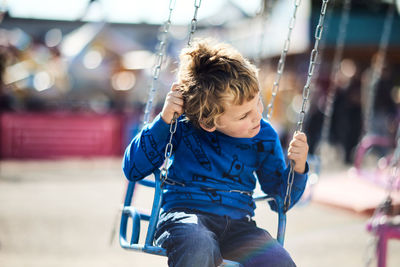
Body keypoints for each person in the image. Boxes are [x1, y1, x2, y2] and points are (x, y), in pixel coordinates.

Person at [123, 39, 309, 267]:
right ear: (208, 122)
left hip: (240, 227)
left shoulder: (264, 136)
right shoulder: (179, 126)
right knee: (198, 245)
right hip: (185, 220)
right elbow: (133, 168)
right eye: (243, 116)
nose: (257, 116)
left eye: (257, 102)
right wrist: (162, 122)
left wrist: (297, 168)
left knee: (278, 261)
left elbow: (280, 199)